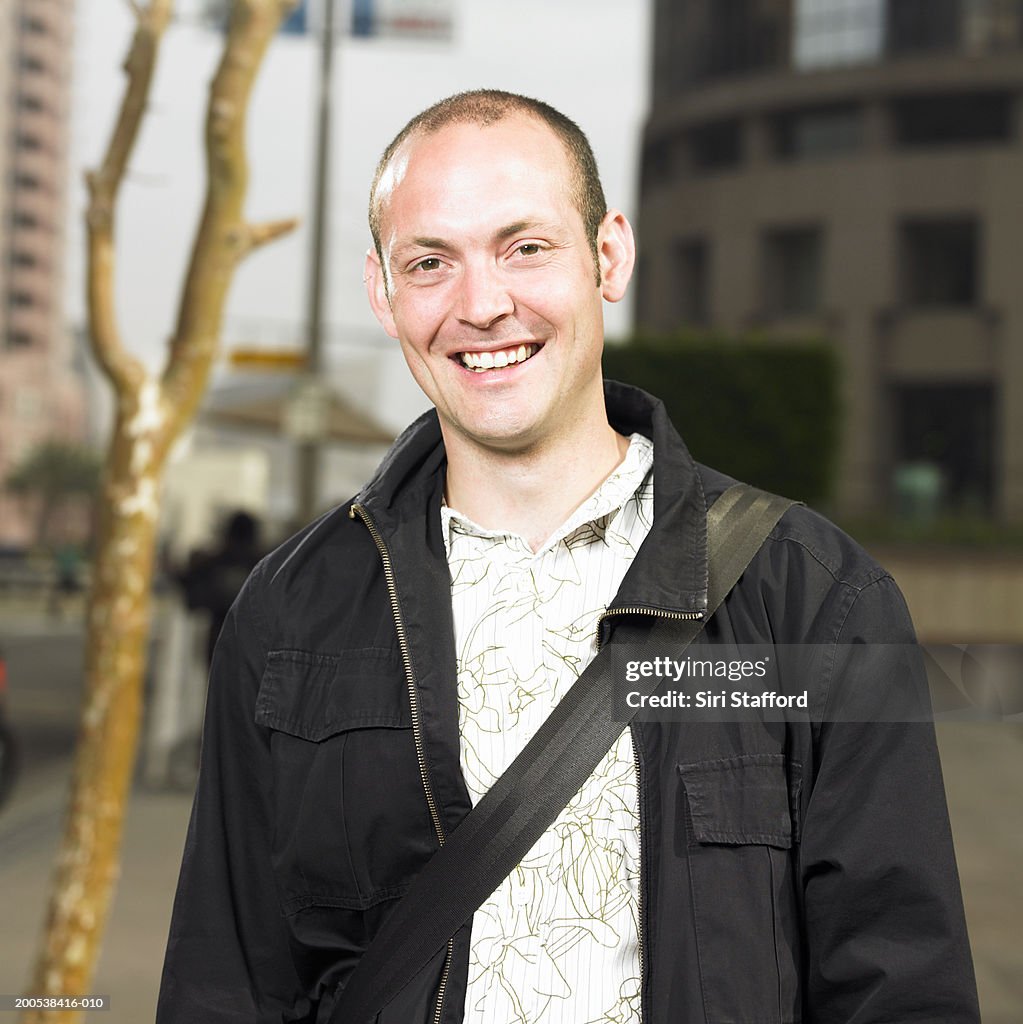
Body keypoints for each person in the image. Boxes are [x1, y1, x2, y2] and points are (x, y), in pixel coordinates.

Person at [157, 90, 979, 1023]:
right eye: (431, 262)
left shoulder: (808, 598)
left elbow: (898, 986)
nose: (482, 304)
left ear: (609, 255)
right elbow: (224, 981)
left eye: (525, 247)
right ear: (383, 295)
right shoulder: (291, 611)